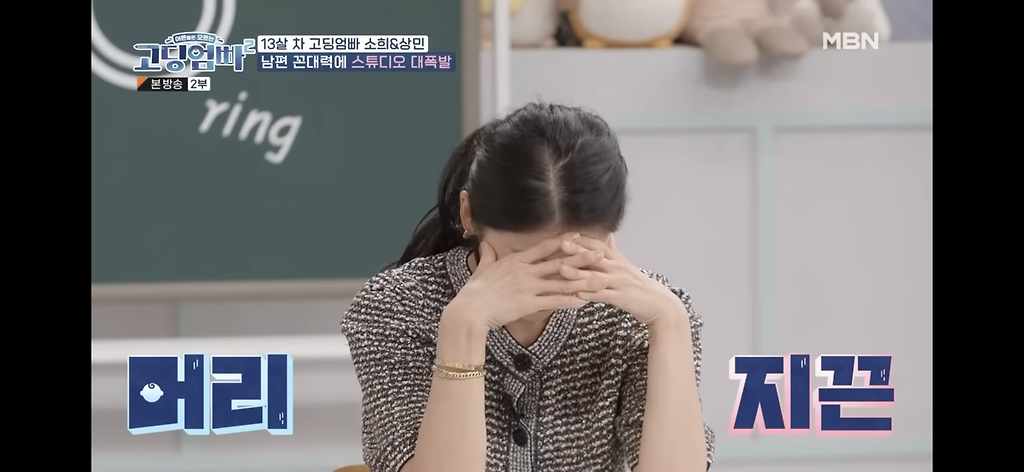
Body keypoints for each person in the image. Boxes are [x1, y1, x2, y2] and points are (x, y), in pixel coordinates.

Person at [340, 103, 715, 472]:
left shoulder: (645, 315)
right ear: (469, 215)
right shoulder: (397, 304)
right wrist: (464, 327)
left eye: (575, 256)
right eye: (527, 259)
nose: (553, 278)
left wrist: (670, 323)